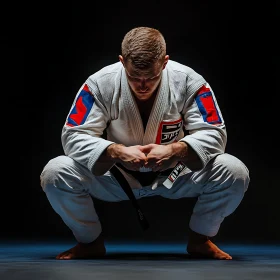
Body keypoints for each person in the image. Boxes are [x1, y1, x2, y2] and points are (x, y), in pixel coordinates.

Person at [40, 26, 250, 260]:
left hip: (174, 174)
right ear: (122, 61)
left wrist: (175, 149)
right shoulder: (99, 84)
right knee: (55, 172)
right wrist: (115, 151)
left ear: (165, 62)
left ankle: (200, 239)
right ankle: (90, 242)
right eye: (133, 77)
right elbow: (72, 135)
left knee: (234, 171)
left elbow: (215, 133)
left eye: (151, 77)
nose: (142, 85)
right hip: (118, 176)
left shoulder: (191, 82)